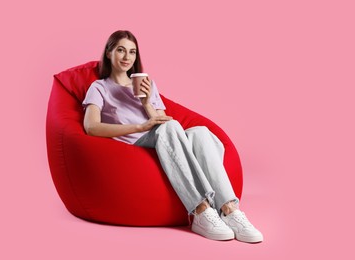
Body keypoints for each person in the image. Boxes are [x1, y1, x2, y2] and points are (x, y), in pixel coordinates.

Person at [82, 30, 263, 243]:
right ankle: (200, 210)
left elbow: (162, 121)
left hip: (162, 139)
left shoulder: (146, 83)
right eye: (120, 50)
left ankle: (229, 209)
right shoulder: (100, 87)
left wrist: (147, 102)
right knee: (170, 127)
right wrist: (140, 126)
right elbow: (91, 127)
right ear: (109, 52)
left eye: (132, 52)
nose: (126, 57)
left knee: (201, 133)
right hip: (135, 145)